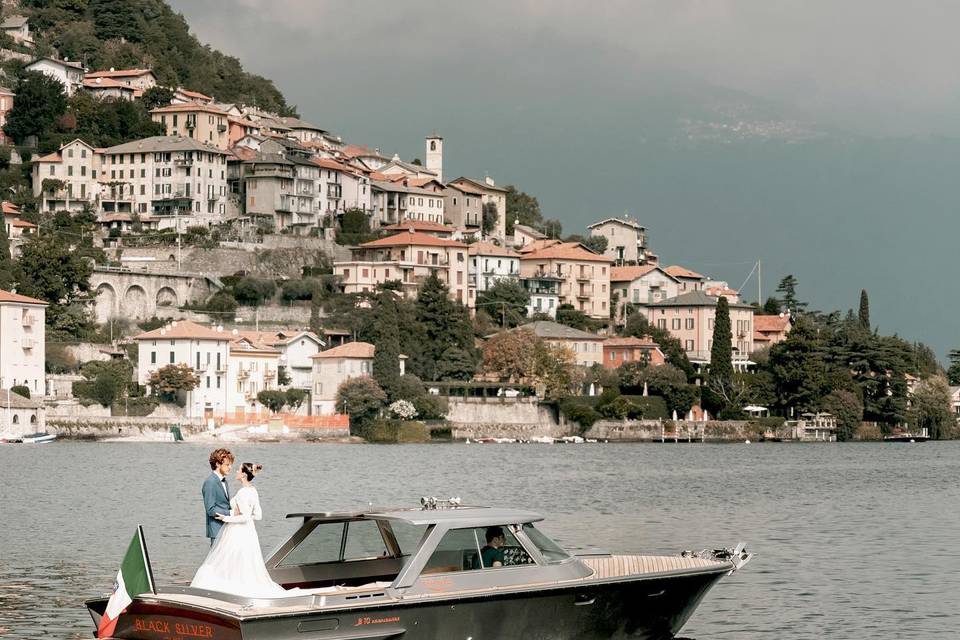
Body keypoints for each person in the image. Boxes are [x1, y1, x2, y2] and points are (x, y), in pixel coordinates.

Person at [191, 462, 290, 598]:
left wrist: (226, 518)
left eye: (238, 469)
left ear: (243, 474)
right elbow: (258, 515)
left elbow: (244, 517)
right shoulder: (253, 490)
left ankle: (230, 592)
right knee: (245, 563)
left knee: (230, 562)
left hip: (237, 532)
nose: (235, 471)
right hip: (250, 533)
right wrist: (241, 514)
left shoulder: (243, 492)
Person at [202, 448, 234, 545]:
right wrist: (231, 513)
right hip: (217, 531)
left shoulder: (224, 481)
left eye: (230, 465)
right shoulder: (210, 482)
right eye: (227, 465)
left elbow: (224, 504)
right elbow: (211, 509)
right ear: (217, 464)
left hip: (227, 529)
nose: (230, 467)